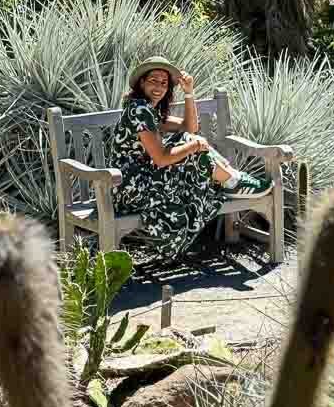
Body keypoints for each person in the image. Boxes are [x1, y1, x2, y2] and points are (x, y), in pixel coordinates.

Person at [108, 55, 271, 264]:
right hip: (129, 189)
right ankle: (233, 181)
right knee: (192, 147)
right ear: (141, 83)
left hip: (142, 181)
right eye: (153, 81)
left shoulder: (149, 110)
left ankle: (232, 180)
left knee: (189, 140)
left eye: (164, 83)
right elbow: (160, 159)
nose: (158, 87)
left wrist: (188, 93)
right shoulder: (139, 110)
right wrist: (194, 145)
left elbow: (190, 127)